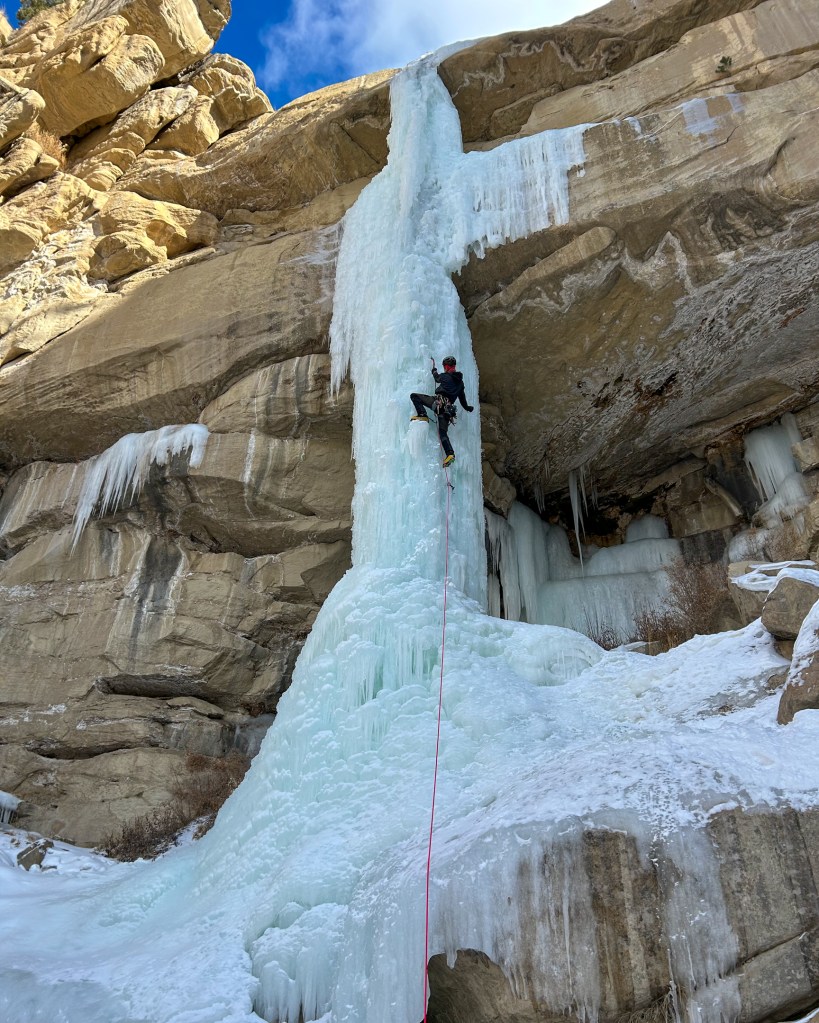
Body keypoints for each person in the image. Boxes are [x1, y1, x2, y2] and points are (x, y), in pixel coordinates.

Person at [410, 355, 474, 467]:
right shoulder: (460, 383)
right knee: (443, 433)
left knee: (414, 396)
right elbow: (462, 399)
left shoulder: (445, 376)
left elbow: (437, 378)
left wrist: (434, 371)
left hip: (439, 403)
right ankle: (450, 454)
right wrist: (468, 407)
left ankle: (422, 414)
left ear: (447, 367)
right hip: (448, 411)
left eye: (444, 366)